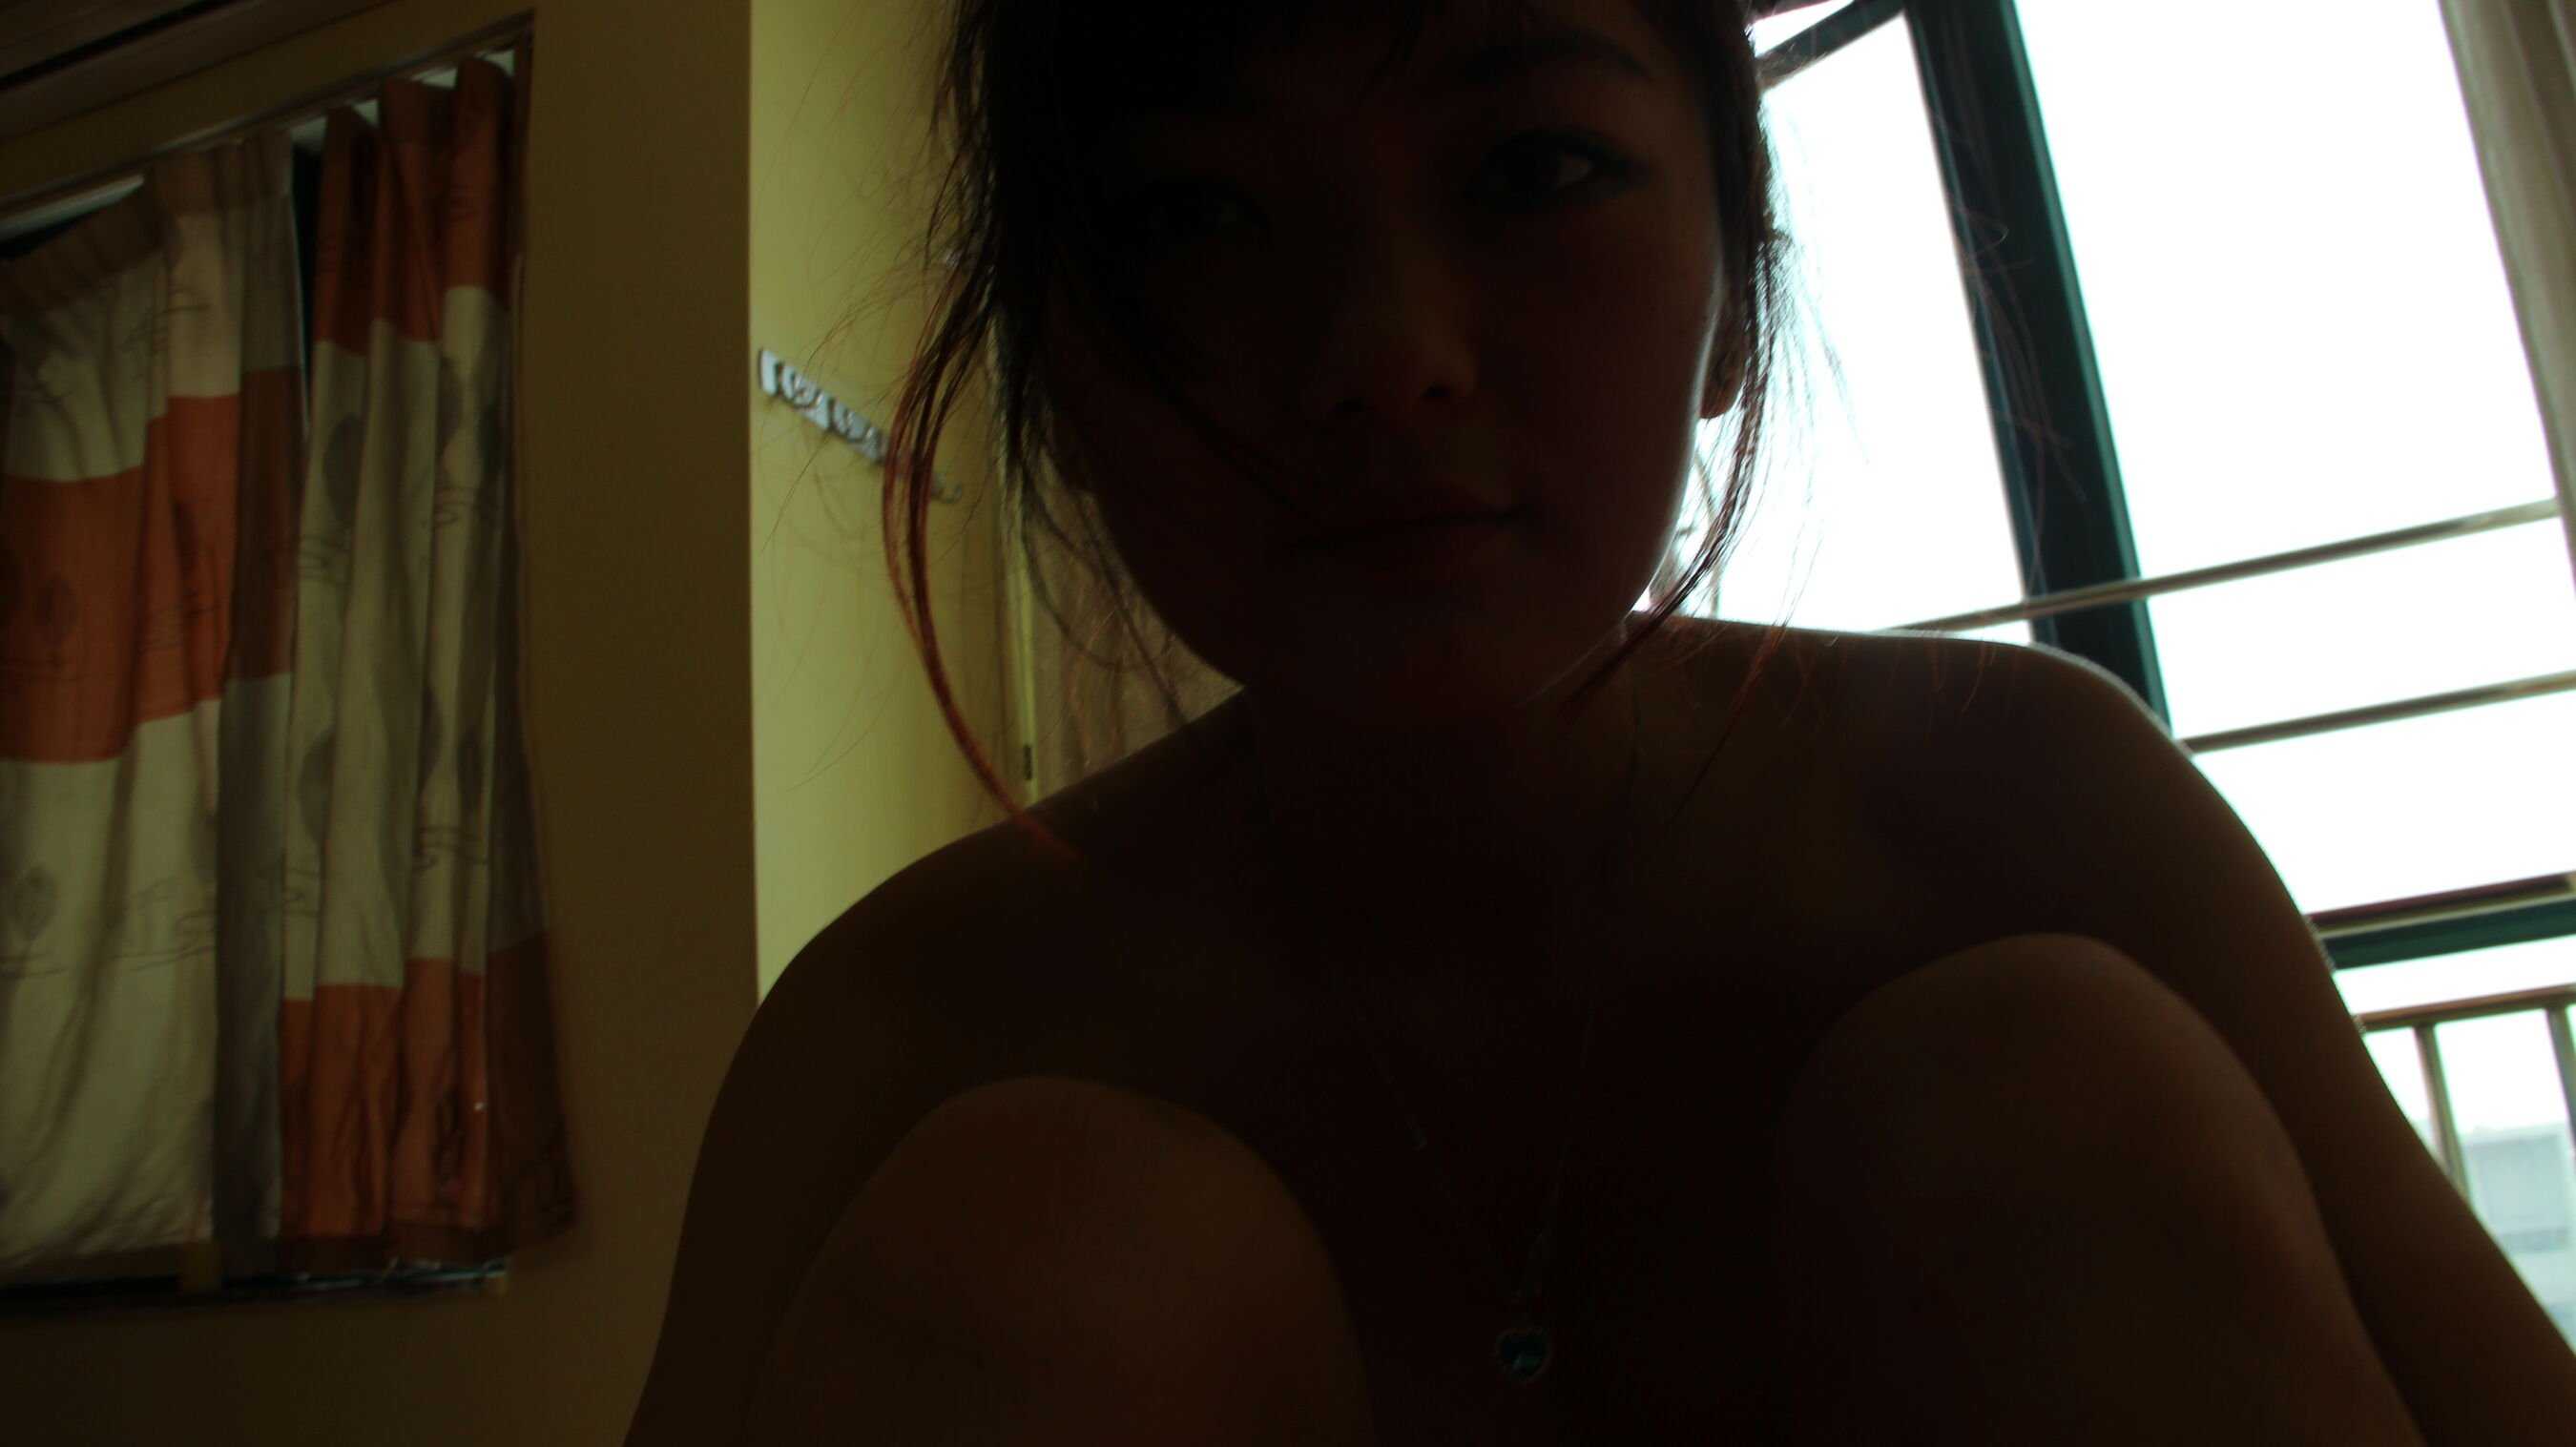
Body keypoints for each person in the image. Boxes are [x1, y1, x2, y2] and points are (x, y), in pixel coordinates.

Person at [627, 1, 2576, 1442]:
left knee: (2039, 1093)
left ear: (1743, 265)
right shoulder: (900, 1038)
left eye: (1533, 169)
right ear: (1052, 372)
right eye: (1194, 213)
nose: (1386, 357)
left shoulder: (2035, 816)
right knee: (1042, 1251)